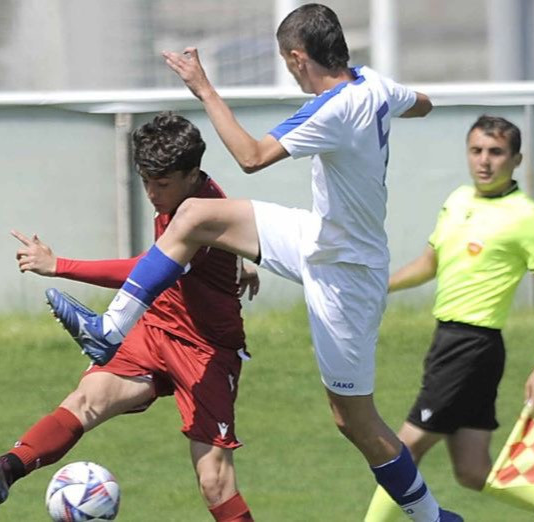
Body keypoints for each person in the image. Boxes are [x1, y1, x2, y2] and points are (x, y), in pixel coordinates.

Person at [46, 4, 462, 521]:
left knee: (353, 420)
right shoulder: (373, 85)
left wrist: (204, 89)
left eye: (288, 64)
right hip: (318, 237)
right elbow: (422, 103)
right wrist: (404, 105)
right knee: (195, 215)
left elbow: (250, 156)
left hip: (346, 278)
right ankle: (112, 327)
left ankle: (433, 517)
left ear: (297, 57)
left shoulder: (332, 108)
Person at [0, 113, 260, 522]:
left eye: (162, 184)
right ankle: (5, 470)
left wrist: (59, 264)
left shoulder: (204, 212)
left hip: (206, 353)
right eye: (146, 181)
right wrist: (242, 259)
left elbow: (143, 269)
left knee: (214, 482)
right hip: (156, 329)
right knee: (86, 400)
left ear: (192, 175)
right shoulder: (184, 195)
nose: (152, 193)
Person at [363, 115, 534, 522]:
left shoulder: (527, 217)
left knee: (402, 450)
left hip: (472, 346)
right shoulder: (457, 200)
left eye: (496, 152)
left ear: (516, 160)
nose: (484, 161)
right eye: (476, 150)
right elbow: (430, 264)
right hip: (452, 342)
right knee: (473, 470)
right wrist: (379, 286)